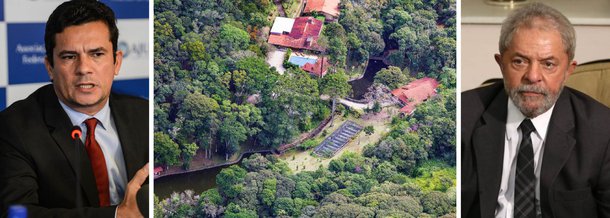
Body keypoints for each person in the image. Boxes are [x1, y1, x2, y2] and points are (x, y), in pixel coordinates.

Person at [0, 1, 149, 217]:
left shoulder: (143, 114)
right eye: (69, 57)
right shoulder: (14, 128)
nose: (84, 69)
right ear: (50, 67)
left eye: (97, 54)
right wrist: (117, 215)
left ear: (116, 62)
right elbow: (15, 213)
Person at [461, 2, 610, 218]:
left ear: (569, 70)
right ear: (501, 63)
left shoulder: (602, 131)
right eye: (519, 61)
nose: (532, 76)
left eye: (548, 64)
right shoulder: (463, 117)